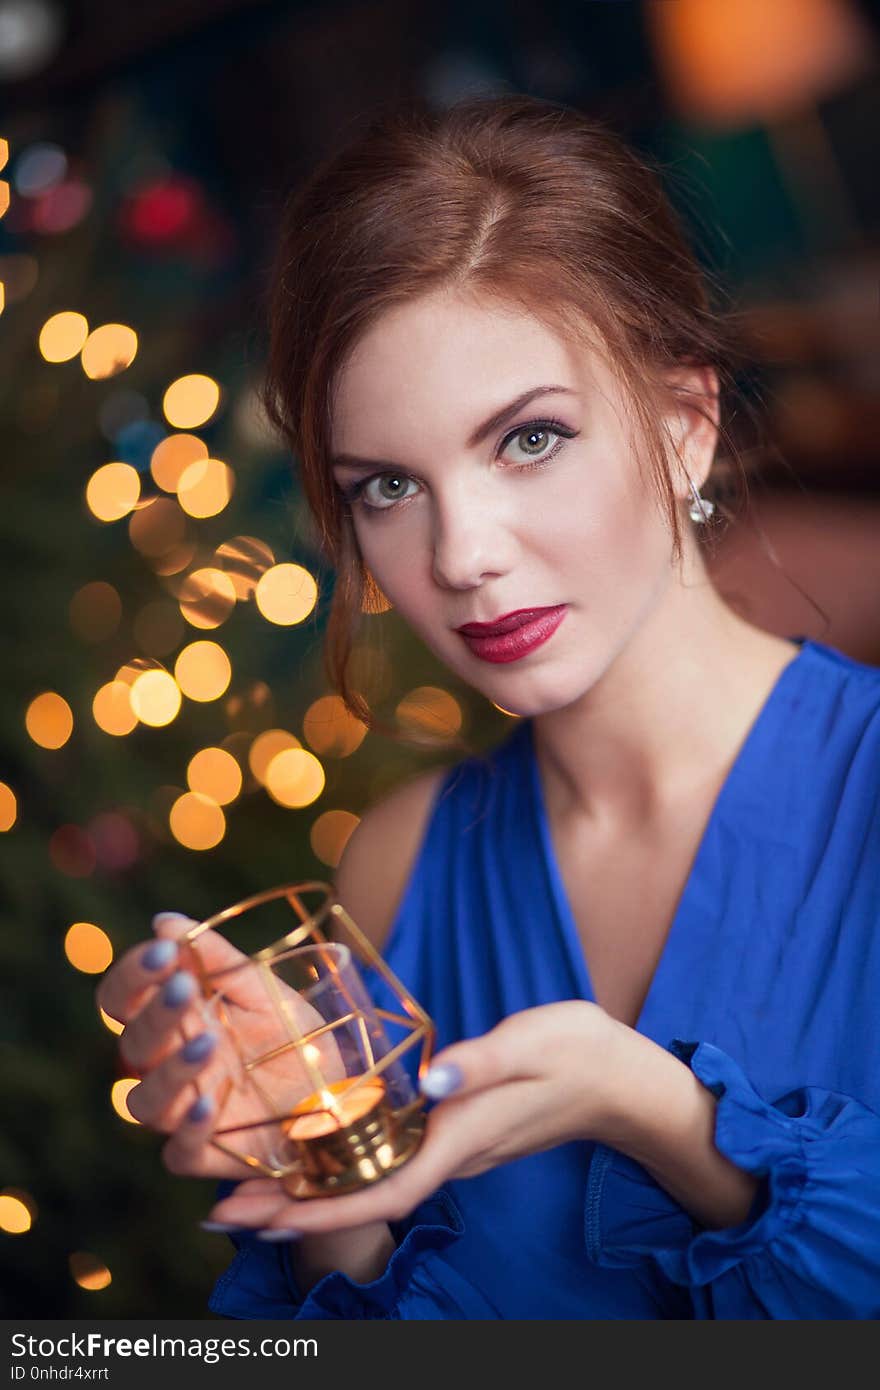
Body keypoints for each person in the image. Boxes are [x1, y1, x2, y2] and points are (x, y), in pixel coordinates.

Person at [96, 94, 880, 1319]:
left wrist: (668, 1121)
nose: (461, 552)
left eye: (527, 440)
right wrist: (325, 1177)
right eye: (389, 485)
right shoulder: (401, 867)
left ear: (683, 424)